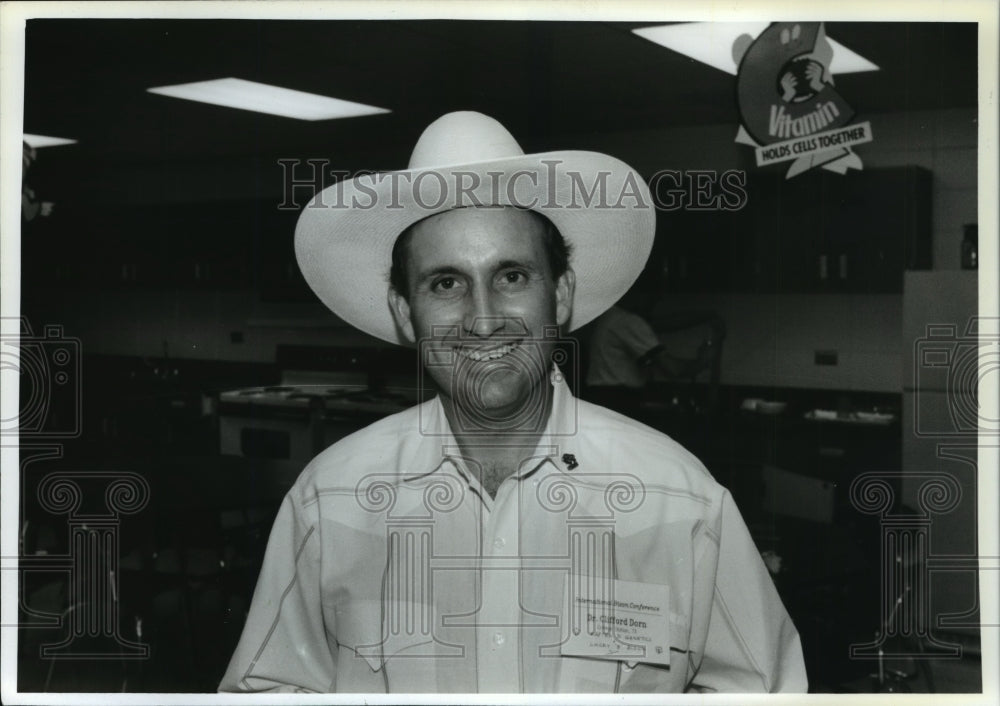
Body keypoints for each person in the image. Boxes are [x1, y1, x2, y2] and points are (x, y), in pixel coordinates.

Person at [219, 111, 806, 693]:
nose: (482, 319)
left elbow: (762, 689)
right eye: (445, 283)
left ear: (562, 295)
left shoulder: (678, 499)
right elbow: (271, 687)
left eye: (512, 276)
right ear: (405, 312)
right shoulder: (331, 501)